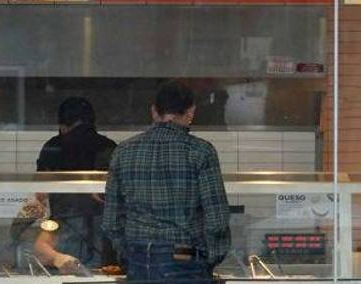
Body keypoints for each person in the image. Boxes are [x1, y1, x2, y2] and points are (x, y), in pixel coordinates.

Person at [103, 80, 230, 283]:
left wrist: (127, 254)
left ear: (154, 111)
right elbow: (217, 220)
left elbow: (111, 221)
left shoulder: (123, 152)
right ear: (191, 112)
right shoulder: (201, 152)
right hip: (185, 257)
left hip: (138, 258)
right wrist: (210, 259)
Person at [28, 97, 117, 273]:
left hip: (63, 227)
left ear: (63, 125)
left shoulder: (54, 147)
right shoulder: (109, 147)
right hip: (105, 233)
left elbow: (40, 192)